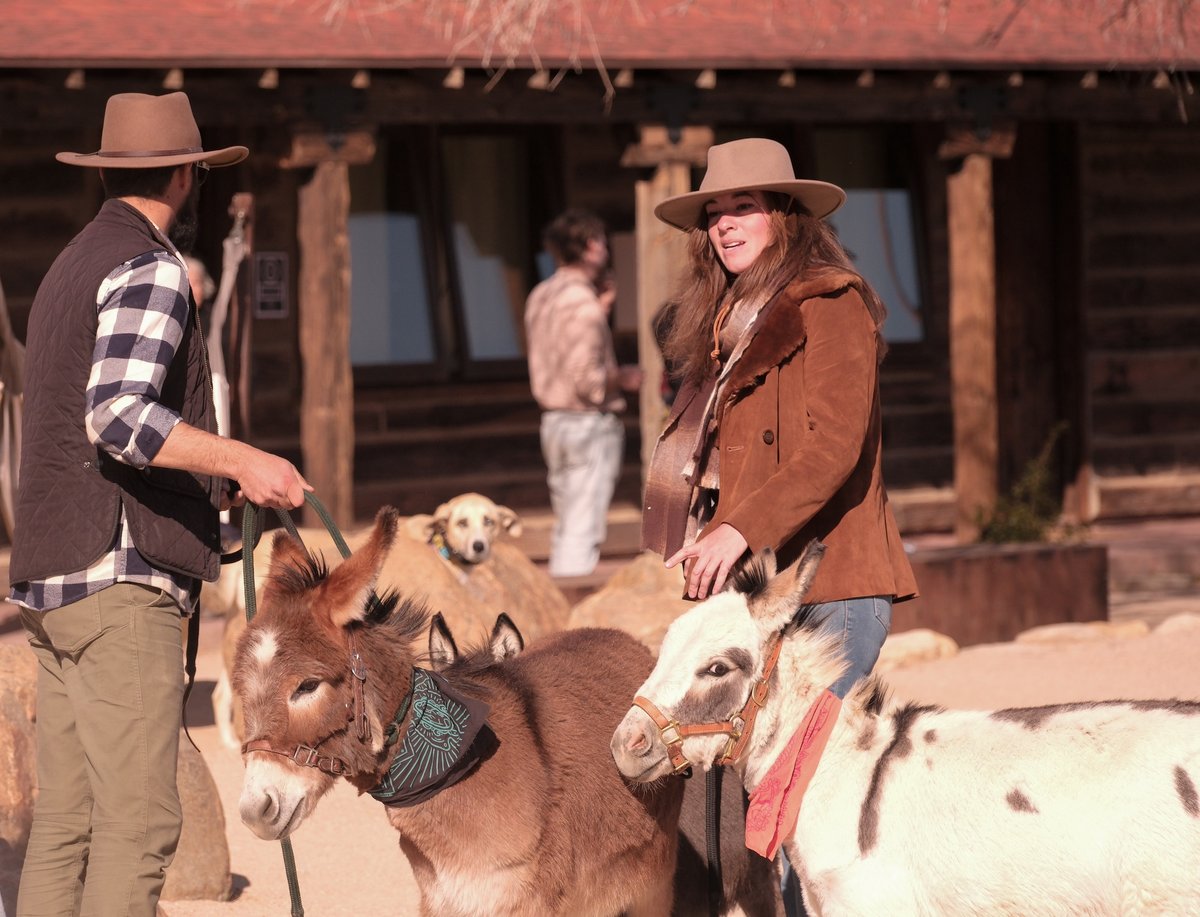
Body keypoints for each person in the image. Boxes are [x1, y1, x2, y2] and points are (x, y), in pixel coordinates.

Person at [8, 91, 310, 917]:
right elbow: (118, 417)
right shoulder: (150, 267)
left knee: (68, 825)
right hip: (117, 583)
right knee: (139, 824)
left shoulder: (70, 262)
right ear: (186, 174)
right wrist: (244, 459)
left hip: (55, 582)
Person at [640, 138, 917, 915]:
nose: (727, 224)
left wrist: (741, 530)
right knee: (757, 777)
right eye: (716, 212)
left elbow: (835, 445)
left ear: (785, 216)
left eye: (745, 206)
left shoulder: (832, 302)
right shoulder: (726, 324)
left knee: (810, 789)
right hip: (759, 585)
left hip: (833, 577)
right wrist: (703, 519)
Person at [525, 209, 642, 578]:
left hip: (555, 422)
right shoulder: (581, 304)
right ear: (591, 247)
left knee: (568, 521)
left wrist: (601, 308)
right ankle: (570, 615)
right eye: (602, 242)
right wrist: (623, 378)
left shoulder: (542, 294)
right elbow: (588, 381)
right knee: (581, 530)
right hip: (585, 425)